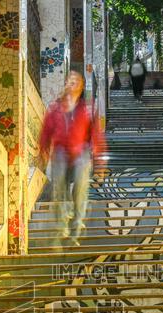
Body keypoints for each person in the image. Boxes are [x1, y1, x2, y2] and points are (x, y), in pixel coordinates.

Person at [39, 71, 106, 246]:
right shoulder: (55, 108)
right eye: (69, 81)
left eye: (75, 81)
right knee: (58, 185)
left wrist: (100, 165)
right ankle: (62, 225)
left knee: (80, 184)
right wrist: (43, 152)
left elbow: (97, 138)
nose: (71, 83)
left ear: (81, 86)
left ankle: (77, 221)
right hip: (61, 151)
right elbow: (46, 132)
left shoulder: (88, 109)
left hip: (80, 153)